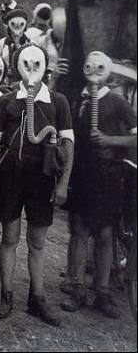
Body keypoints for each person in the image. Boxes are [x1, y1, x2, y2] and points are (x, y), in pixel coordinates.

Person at [0, 43, 74, 326]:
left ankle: (38, 299)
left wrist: (63, 184)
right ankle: (6, 295)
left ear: (45, 67)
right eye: (26, 64)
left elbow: (68, 144)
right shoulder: (8, 101)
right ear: (17, 67)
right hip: (11, 177)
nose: (32, 70)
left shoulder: (58, 101)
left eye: (37, 64)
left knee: (37, 241)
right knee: (10, 238)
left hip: (43, 178)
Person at [62, 51, 137, 318]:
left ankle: (102, 293)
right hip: (81, 174)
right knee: (79, 231)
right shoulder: (77, 101)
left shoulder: (117, 103)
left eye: (99, 66)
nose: (94, 70)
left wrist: (109, 140)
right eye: (89, 65)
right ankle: (77, 289)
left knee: (105, 234)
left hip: (107, 175)